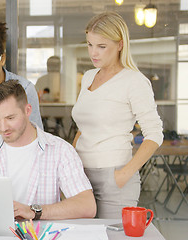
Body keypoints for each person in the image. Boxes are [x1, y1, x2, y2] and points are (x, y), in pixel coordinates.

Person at [72, 11, 164, 218]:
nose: (93, 53)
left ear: (120, 44)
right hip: (81, 177)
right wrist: (70, 162)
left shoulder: (134, 81)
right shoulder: (88, 77)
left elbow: (155, 133)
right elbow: (82, 128)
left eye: (101, 46)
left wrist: (123, 174)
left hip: (114, 177)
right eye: (90, 44)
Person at [0, 80, 96, 220]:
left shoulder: (61, 151)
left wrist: (34, 211)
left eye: (10, 118)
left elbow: (87, 206)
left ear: (28, 110)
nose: (3, 128)